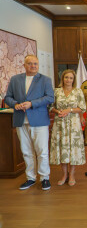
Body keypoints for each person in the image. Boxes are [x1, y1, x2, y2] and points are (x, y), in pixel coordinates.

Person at [5, 55, 54, 190]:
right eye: (30, 63)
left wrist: (32, 104)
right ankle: (30, 178)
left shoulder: (45, 80)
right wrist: (15, 104)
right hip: (21, 120)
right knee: (26, 151)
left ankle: (45, 178)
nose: (33, 66)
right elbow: (7, 97)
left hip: (39, 121)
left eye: (35, 64)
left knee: (42, 151)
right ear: (24, 65)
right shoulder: (15, 79)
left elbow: (50, 97)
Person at [49, 69, 86, 186]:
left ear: (73, 80)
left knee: (72, 149)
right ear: (62, 79)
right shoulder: (56, 91)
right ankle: (64, 174)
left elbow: (82, 108)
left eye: (70, 78)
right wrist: (58, 111)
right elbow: (51, 107)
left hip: (73, 125)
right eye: (66, 77)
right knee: (62, 149)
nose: (68, 80)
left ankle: (72, 175)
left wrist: (69, 110)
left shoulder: (78, 91)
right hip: (60, 124)